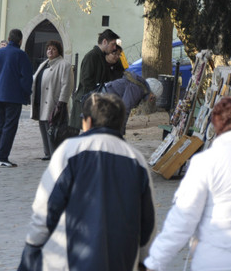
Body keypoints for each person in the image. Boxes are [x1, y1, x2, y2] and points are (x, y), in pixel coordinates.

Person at [144, 97, 231, 271]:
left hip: (216, 261)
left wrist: (153, 263)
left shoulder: (204, 163)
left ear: (216, 126)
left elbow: (182, 220)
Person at [18, 93, 155, 271]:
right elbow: (148, 221)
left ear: (87, 122)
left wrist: (33, 244)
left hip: (72, 259)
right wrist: (144, 260)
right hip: (122, 260)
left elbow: (46, 207)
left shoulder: (69, 151)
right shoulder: (137, 160)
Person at [0, 29, 33, 167]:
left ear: (8, 38)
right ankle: (2, 157)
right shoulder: (21, 55)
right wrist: (26, 94)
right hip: (14, 96)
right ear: (20, 41)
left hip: (0, 95)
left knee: (0, 126)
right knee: (9, 127)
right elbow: (26, 78)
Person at [30, 40, 73, 159]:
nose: (50, 51)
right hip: (41, 99)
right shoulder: (44, 64)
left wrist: (61, 102)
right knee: (44, 126)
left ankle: (56, 154)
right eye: (49, 49)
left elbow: (67, 85)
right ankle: (48, 152)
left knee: (54, 129)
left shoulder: (64, 65)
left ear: (59, 51)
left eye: (53, 49)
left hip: (53, 102)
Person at [69, 28, 120, 130]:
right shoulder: (92, 56)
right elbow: (86, 81)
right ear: (105, 42)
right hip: (86, 103)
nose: (114, 48)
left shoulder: (101, 57)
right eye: (113, 44)